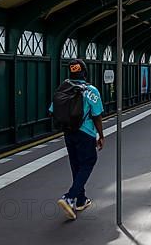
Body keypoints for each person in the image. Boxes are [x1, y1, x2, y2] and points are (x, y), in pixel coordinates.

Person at [50, 59, 104, 220]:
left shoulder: (63, 89)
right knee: (88, 162)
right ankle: (69, 197)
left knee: (76, 165)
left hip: (68, 133)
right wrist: (101, 135)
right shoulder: (91, 90)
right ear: (85, 73)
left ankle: (80, 200)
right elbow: (97, 115)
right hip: (85, 133)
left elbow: (52, 110)